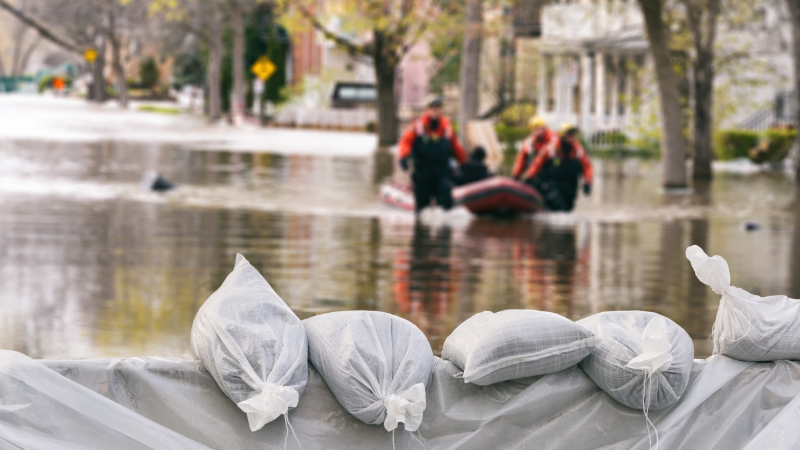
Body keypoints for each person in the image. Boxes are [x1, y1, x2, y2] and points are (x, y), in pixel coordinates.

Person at [398, 96, 467, 213]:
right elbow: (405, 141)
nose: (435, 110)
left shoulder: (447, 127)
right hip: (423, 173)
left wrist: (464, 163)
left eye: (438, 107)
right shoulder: (417, 126)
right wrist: (403, 156)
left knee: (446, 204)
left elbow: (456, 146)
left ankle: (445, 222)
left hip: (442, 173)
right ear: (427, 110)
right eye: (433, 107)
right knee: (421, 208)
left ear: (441, 110)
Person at [523, 123, 593, 212]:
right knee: (558, 205)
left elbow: (587, 166)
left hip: (571, 186)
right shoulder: (551, 148)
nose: (571, 137)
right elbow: (537, 163)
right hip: (553, 184)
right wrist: (530, 177)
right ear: (562, 135)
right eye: (569, 134)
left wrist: (587, 182)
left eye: (572, 134)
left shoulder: (578, 150)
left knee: (568, 209)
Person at [512, 115, 559, 181]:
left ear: (544, 128)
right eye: (534, 129)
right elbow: (521, 159)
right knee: (530, 156)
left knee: (556, 162)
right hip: (536, 173)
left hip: (550, 172)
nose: (535, 131)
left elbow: (541, 157)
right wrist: (515, 176)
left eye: (538, 129)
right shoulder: (530, 141)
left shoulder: (553, 138)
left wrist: (529, 176)